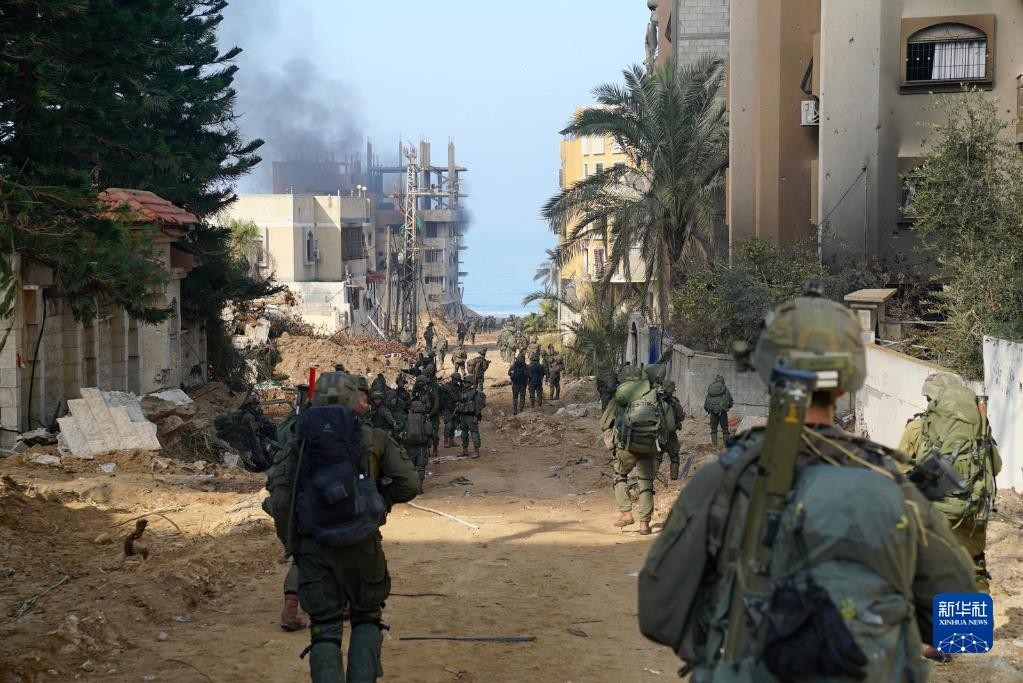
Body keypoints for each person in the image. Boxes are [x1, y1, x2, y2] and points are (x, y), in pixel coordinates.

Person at [637, 294, 976, 682]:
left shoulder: (721, 481)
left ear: (769, 375)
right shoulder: (893, 486)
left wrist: (722, 646)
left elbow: (658, 615)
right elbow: (966, 628)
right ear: (846, 384)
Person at [265, 371, 419, 681]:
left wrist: (292, 543)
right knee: (367, 619)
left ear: (314, 400)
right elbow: (409, 484)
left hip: (314, 546)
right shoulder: (373, 438)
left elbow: (280, 501)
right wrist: (378, 503)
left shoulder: (297, 439)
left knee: (324, 628)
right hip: (363, 544)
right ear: (353, 400)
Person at [899, 376, 1002, 594]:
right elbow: (996, 467)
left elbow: (900, 472)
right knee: (974, 570)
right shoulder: (979, 429)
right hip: (973, 514)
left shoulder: (918, 427)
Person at [602, 364, 670, 536]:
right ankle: (644, 525)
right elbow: (669, 425)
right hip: (649, 446)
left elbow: (604, 423)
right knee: (646, 483)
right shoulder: (653, 395)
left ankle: (626, 513)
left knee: (620, 476)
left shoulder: (619, 398)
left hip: (626, 447)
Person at [401, 399, 435, 493]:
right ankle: (419, 488)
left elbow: (401, 431)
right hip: (421, 447)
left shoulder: (407, 419)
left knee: (410, 468)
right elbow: (430, 432)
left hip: (409, 447)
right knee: (421, 468)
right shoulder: (424, 420)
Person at [655, 380, 685, 480]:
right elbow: (681, 417)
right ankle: (674, 479)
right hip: (671, 434)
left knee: (657, 457)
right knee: (674, 457)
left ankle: (651, 478)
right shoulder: (674, 401)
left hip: (659, 434)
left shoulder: (656, 400)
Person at [456, 377, 486, 458]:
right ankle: (465, 450)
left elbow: (479, 406)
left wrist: (476, 416)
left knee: (474, 433)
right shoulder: (463, 392)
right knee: (463, 434)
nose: (465, 383)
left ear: (471, 383)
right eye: (464, 382)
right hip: (463, 416)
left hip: (472, 416)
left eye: (467, 382)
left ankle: (476, 451)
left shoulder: (476, 393)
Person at [704, 374, 733, 446]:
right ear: (723, 381)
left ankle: (714, 446)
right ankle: (726, 446)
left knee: (713, 429)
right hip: (723, 412)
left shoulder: (711, 390)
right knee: (725, 430)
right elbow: (730, 402)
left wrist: (710, 409)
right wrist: (726, 407)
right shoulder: (725, 389)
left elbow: (706, 404)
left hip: (713, 412)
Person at [440, 372, 463, 447]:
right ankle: (446, 441)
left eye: (457, 380)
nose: (455, 381)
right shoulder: (446, 387)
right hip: (448, 409)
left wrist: (461, 383)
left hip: (456, 409)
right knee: (448, 425)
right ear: (452, 378)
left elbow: (463, 394)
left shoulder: (459, 387)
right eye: (454, 379)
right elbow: (442, 399)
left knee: (455, 425)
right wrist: (443, 410)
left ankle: (451, 441)